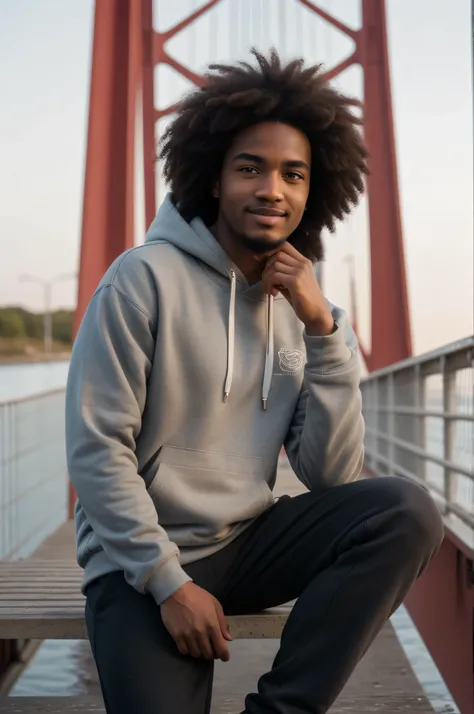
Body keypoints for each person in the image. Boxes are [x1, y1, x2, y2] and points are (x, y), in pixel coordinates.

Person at [66, 50, 444, 714]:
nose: (273, 189)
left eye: (293, 174)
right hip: (140, 564)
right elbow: (99, 450)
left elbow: (330, 475)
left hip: (246, 543)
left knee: (405, 511)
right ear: (213, 179)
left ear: (313, 190)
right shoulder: (141, 280)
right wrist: (166, 583)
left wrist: (327, 330)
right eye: (251, 168)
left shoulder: (300, 310)